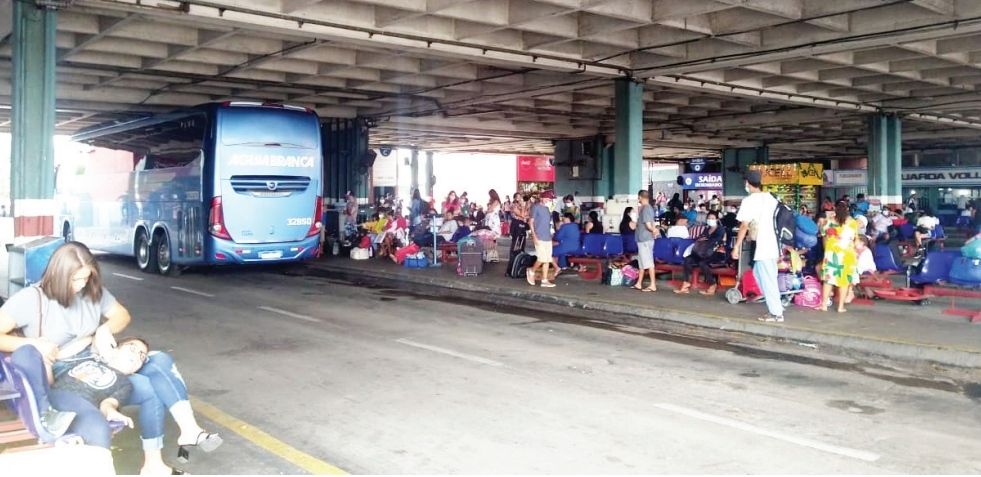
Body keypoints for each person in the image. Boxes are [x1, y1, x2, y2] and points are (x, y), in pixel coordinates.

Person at [0, 243, 220, 475]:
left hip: (99, 362)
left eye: (86, 278)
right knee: (136, 394)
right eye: (75, 279)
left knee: (156, 370)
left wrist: (104, 329)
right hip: (64, 373)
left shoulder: (91, 293)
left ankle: (160, 457)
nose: (81, 285)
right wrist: (33, 343)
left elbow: (122, 315)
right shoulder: (31, 299)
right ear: (58, 275)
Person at [733, 171, 784, 322]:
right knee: (759, 274)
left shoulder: (749, 201)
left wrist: (736, 246)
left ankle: (776, 313)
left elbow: (744, 225)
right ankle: (775, 305)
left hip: (764, 245)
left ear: (747, 183)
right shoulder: (771, 197)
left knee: (767, 279)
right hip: (773, 244)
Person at [818, 201, 860, 313]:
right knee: (844, 281)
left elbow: (822, 234)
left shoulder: (829, 221)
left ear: (835, 208)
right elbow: (855, 239)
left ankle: (824, 305)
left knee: (828, 280)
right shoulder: (852, 222)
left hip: (831, 254)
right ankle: (840, 307)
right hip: (847, 255)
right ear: (847, 209)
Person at [675, 211, 726, 295]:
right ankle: (686, 283)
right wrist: (701, 239)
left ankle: (712, 285)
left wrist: (706, 239)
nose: (710, 220)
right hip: (703, 252)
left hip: (716, 253)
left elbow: (716, 240)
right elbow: (700, 237)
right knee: (688, 260)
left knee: (702, 263)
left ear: (717, 219)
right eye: (709, 218)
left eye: (712, 218)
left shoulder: (720, 229)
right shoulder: (707, 228)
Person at [527, 191, 556, 288]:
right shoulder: (535, 207)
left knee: (547, 259)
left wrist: (551, 235)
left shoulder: (547, 209)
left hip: (547, 237)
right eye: (548, 199)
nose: (549, 201)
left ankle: (544, 280)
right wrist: (534, 235)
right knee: (542, 258)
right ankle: (531, 271)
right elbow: (531, 222)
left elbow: (548, 224)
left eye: (550, 199)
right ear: (542, 198)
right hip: (539, 236)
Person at [633, 190, 659, 293]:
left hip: (645, 240)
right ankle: (639, 283)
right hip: (642, 239)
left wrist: (653, 230)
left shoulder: (646, 208)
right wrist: (654, 230)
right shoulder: (646, 208)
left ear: (640, 197)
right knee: (642, 263)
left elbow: (648, 225)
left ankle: (653, 285)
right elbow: (652, 223)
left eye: (638, 197)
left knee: (648, 263)